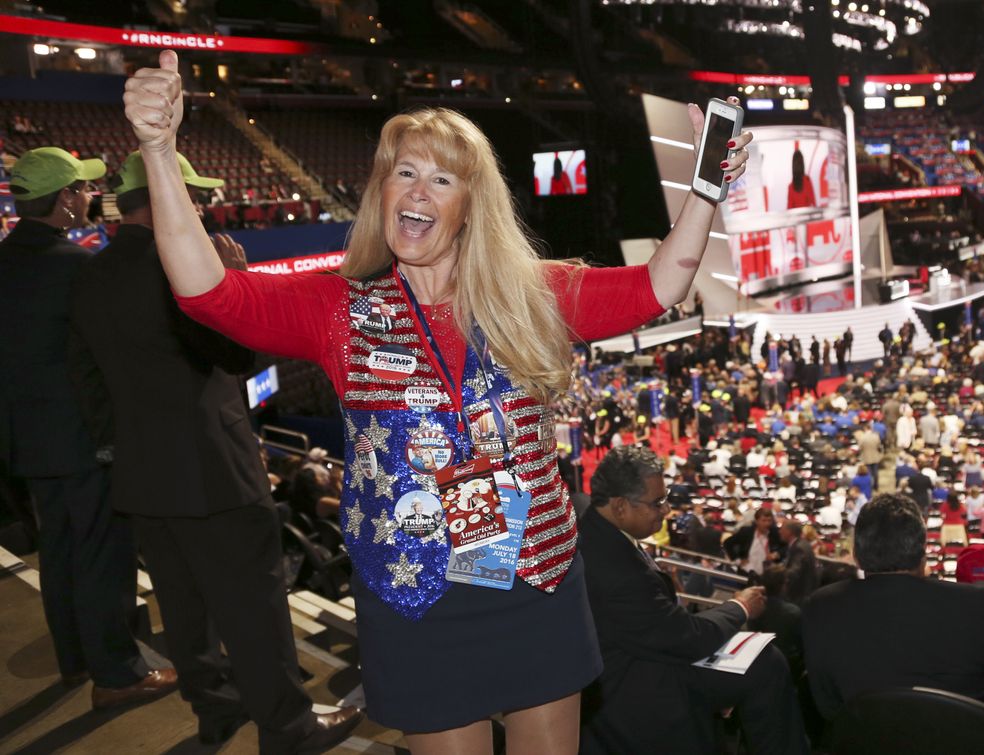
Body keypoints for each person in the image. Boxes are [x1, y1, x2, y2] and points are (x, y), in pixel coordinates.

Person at [124, 50, 754, 753]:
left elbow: (660, 283)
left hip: (532, 578)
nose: (417, 190)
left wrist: (705, 192)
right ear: (383, 191)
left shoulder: (530, 293)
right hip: (415, 593)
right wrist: (158, 149)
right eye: (404, 172)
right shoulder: (339, 309)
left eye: (441, 177)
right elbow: (206, 290)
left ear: (468, 207)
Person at [68, 151, 361, 749]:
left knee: (183, 607)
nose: (199, 208)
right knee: (254, 607)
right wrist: (238, 283)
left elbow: (87, 383)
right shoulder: (185, 268)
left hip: (140, 473)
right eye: (191, 196)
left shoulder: (91, 273)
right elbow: (241, 356)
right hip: (214, 469)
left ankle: (216, 710)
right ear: (160, 196)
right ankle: (290, 728)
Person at [0, 146, 178, 708]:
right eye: (80, 188)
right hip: (80, 438)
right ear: (63, 198)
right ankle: (118, 674)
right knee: (102, 553)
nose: (88, 197)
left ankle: (75, 658)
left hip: (27, 442)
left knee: (60, 552)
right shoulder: (74, 266)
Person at [577, 445, 809, 755]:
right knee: (767, 663)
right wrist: (740, 607)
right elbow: (687, 638)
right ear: (620, 506)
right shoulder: (617, 570)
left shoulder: (593, 524)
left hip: (639, 654)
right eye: (657, 502)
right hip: (633, 684)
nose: (666, 510)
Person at [802, 494, 984, 724]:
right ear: (923, 555)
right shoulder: (973, 603)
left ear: (856, 557)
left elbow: (826, 704)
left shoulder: (820, 607)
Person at [723, 507, 785, 575]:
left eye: (769, 520)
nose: (767, 524)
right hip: (747, 572)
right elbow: (727, 543)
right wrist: (737, 560)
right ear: (756, 521)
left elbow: (785, 547)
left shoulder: (775, 533)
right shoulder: (746, 532)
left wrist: (777, 554)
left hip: (767, 575)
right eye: (764, 520)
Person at [780, 519, 819, 604]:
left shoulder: (799, 548)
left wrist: (778, 575)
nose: (780, 532)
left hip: (799, 596)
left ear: (789, 532)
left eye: (782, 529)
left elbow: (794, 572)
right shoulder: (802, 544)